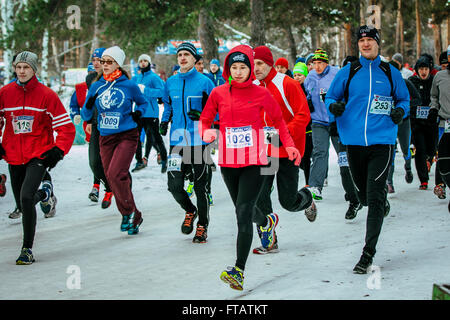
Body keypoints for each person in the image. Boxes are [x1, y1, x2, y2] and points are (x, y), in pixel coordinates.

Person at [199, 44, 301, 290]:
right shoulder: (219, 93)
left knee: (242, 215)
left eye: (243, 67)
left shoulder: (260, 94)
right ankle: (266, 222)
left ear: (249, 70)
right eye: (233, 67)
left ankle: (239, 270)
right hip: (229, 163)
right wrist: (207, 133)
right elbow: (204, 119)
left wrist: (289, 146)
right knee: (245, 209)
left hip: (255, 162)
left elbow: (278, 123)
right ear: (228, 69)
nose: (238, 71)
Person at [326, 25, 410, 274]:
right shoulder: (348, 71)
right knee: (363, 197)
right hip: (353, 141)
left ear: (377, 44)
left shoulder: (390, 71)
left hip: (382, 141)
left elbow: (404, 99)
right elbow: (330, 97)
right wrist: (334, 107)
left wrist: (400, 112)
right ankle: (378, 202)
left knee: (373, 198)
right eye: (361, 40)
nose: (365, 44)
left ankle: (367, 254)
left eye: (369, 40)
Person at [0, 51, 76, 264]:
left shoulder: (46, 95)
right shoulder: (5, 93)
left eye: (26, 67)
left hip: (39, 154)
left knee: (25, 198)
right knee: (23, 202)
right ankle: (45, 194)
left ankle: (27, 249)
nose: (22, 71)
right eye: (18, 67)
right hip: (14, 155)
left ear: (34, 69)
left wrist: (58, 151)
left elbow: (67, 129)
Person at [251, 45, 316, 255]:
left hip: (288, 150)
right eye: (253, 64)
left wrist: (285, 133)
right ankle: (269, 239)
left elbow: (303, 115)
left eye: (260, 63)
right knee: (260, 196)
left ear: (269, 63)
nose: (256, 68)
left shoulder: (286, 83)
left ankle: (307, 198)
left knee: (287, 202)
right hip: (265, 151)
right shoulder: (252, 86)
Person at [81, 46, 149, 236]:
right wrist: (88, 104)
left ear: (118, 63)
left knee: (116, 172)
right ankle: (133, 213)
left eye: (109, 62)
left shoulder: (128, 85)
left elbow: (143, 103)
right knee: (111, 176)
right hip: (106, 137)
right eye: (103, 62)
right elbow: (86, 114)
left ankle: (128, 213)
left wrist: (138, 114)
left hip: (127, 134)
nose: (105, 65)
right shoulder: (96, 86)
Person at [160, 42, 215, 243]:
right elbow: (168, 105)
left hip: (199, 140)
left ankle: (202, 226)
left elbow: (216, 109)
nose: (182, 58)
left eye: (186, 55)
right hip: (177, 140)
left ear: (195, 59)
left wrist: (203, 116)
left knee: (201, 187)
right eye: (180, 55)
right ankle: (190, 210)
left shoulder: (205, 82)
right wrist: (164, 121)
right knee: (174, 185)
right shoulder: (171, 82)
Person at [304, 48, 360, 220]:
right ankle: (315, 186)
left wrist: (339, 115)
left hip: (336, 122)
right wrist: (308, 103)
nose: (318, 66)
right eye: (315, 63)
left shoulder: (336, 74)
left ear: (327, 63)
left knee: (344, 157)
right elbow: (307, 93)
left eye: (321, 63)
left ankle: (355, 190)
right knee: (319, 152)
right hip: (318, 122)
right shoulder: (310, 77)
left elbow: (345, 95)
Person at [69, 60, 114, 208]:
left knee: (109, 161)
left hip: (111, 126)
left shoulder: (113, 81)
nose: (91, 75)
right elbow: (78, 103)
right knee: (95, 161)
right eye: (89, 72)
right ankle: (100, 186)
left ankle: (117, 188)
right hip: (93, 125)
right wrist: (81, 116)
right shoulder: (83, 86)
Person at [386, 58, 421, 193]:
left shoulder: (405, 82)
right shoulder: (383, 85)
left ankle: (408, 167)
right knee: (390, 152)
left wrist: (403, 108)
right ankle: (389, 182)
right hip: (389, 123)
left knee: (405, 149)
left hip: (404, 121)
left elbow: (417, 98)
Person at [131, 53, 167, 173]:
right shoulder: (137, 77)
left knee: (156, 138)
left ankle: (164, 161)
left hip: (151, 113)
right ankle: (139, 161)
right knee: (136, 138)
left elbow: (162, 91)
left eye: (145, 61)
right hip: (139, 112)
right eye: (141, 61)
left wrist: (145, 90)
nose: (143, 63)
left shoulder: (154, 77)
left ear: (149, 63)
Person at [408, 56, 439, 191]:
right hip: (416, 122)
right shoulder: (411, 81)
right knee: (420, 149)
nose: (424, 72)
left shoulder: (434, 81)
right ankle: (424, 180)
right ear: (417, 70)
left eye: (426, 69)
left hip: (432, 122)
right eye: (421, 69)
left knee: (432, 149)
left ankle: (429, 159)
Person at [430, 45, 450, 205]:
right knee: (442, 156)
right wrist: (433, 109)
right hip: (445, 123)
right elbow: (434, 96)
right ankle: (440, 184)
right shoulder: (440, 76)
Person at [293, 62, 313, 186]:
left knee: (305, 157)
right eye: (295, 75)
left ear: (305, 76)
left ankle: (308, 182)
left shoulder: (308, 89)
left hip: (309, 128)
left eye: (300, 75)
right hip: (296, 129)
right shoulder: (292, 88)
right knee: (298, 158)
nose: (297, 77)